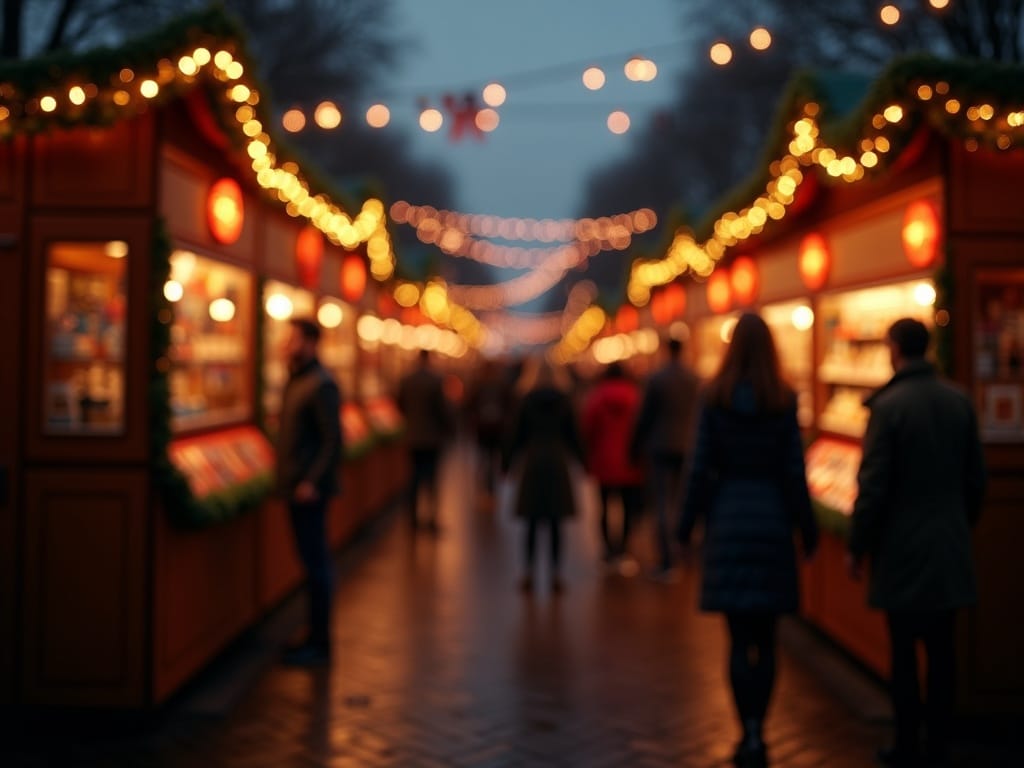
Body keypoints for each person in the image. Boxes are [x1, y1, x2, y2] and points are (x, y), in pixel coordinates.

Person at [678, 313, 817, 768]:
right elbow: (794, 472)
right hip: (773, 524)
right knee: (769, 638)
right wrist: (806, 529)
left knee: (738, 640)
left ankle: (748, 733)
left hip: (728, 524)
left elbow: (699, 468)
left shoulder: (713, 398)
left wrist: (685, 526)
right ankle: (762, 728)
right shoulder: (783, 399)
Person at [846, 318, 985, 767]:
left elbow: (873, 487)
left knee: (903, 654)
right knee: (944, 655)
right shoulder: (959, 401)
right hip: (948, 546)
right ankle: (939, 744)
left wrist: (858, 545)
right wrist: (959, 525)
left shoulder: (888, 408)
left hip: (900, 550)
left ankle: (907, 744)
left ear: (894, 348)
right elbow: (976, 480)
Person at [275, 317, 343, 666]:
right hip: (296, 486)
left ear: (311, 343)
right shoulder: (298, 380)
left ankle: (320, 642)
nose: (287, 344)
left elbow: (333, 440)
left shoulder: (320, 384)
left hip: (308, 492)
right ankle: (312, 634)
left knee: (316, 566)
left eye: (293, 339)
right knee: (309, 563)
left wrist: (311, 481)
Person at [504, 357, 585, 594]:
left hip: (532, 463)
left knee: (531, 522)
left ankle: (528, 572)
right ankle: (556, 573)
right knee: (556, 524)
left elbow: (515, 435)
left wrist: (507, 464)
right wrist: (583, 462)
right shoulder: (565, 401)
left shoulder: (526, 401)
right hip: (557, 463)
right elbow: (574, 435)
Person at [630, 336, 700, 580]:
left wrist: (635, 446)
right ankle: (684, 551)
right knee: (683, 499)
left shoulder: (657, 379)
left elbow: (645, 417)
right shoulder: (693, 379)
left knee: (662, 503)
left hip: (660, 446)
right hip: (687, 445)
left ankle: (667, 559)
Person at [581, 362, 644, 572]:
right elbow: (643, 425)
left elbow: (587, 428)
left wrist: (588, 456)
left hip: (603, 460)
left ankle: (608, 551)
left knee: (604, 507)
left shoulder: (597, 396)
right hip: (630, 461)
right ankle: (623, 549)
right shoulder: (635, 396)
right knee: (627, 508)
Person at [397, 349, 454, 533]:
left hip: (413, 436)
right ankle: (431, 517)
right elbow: (442, 410)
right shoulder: (435, 381)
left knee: (413, 477)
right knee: (432, 478)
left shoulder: (406, 380)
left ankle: (412, 518)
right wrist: (449, 429)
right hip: (432, 438)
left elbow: (400, 405)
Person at [464, 358, 512, 499]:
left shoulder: (478, 384)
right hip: (497, 427)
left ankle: (484, 483)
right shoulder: (501, 384)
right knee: (493, 456)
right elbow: (509, 404)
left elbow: (470, 404)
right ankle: (491, 484)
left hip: (483, 427)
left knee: (483, 456)